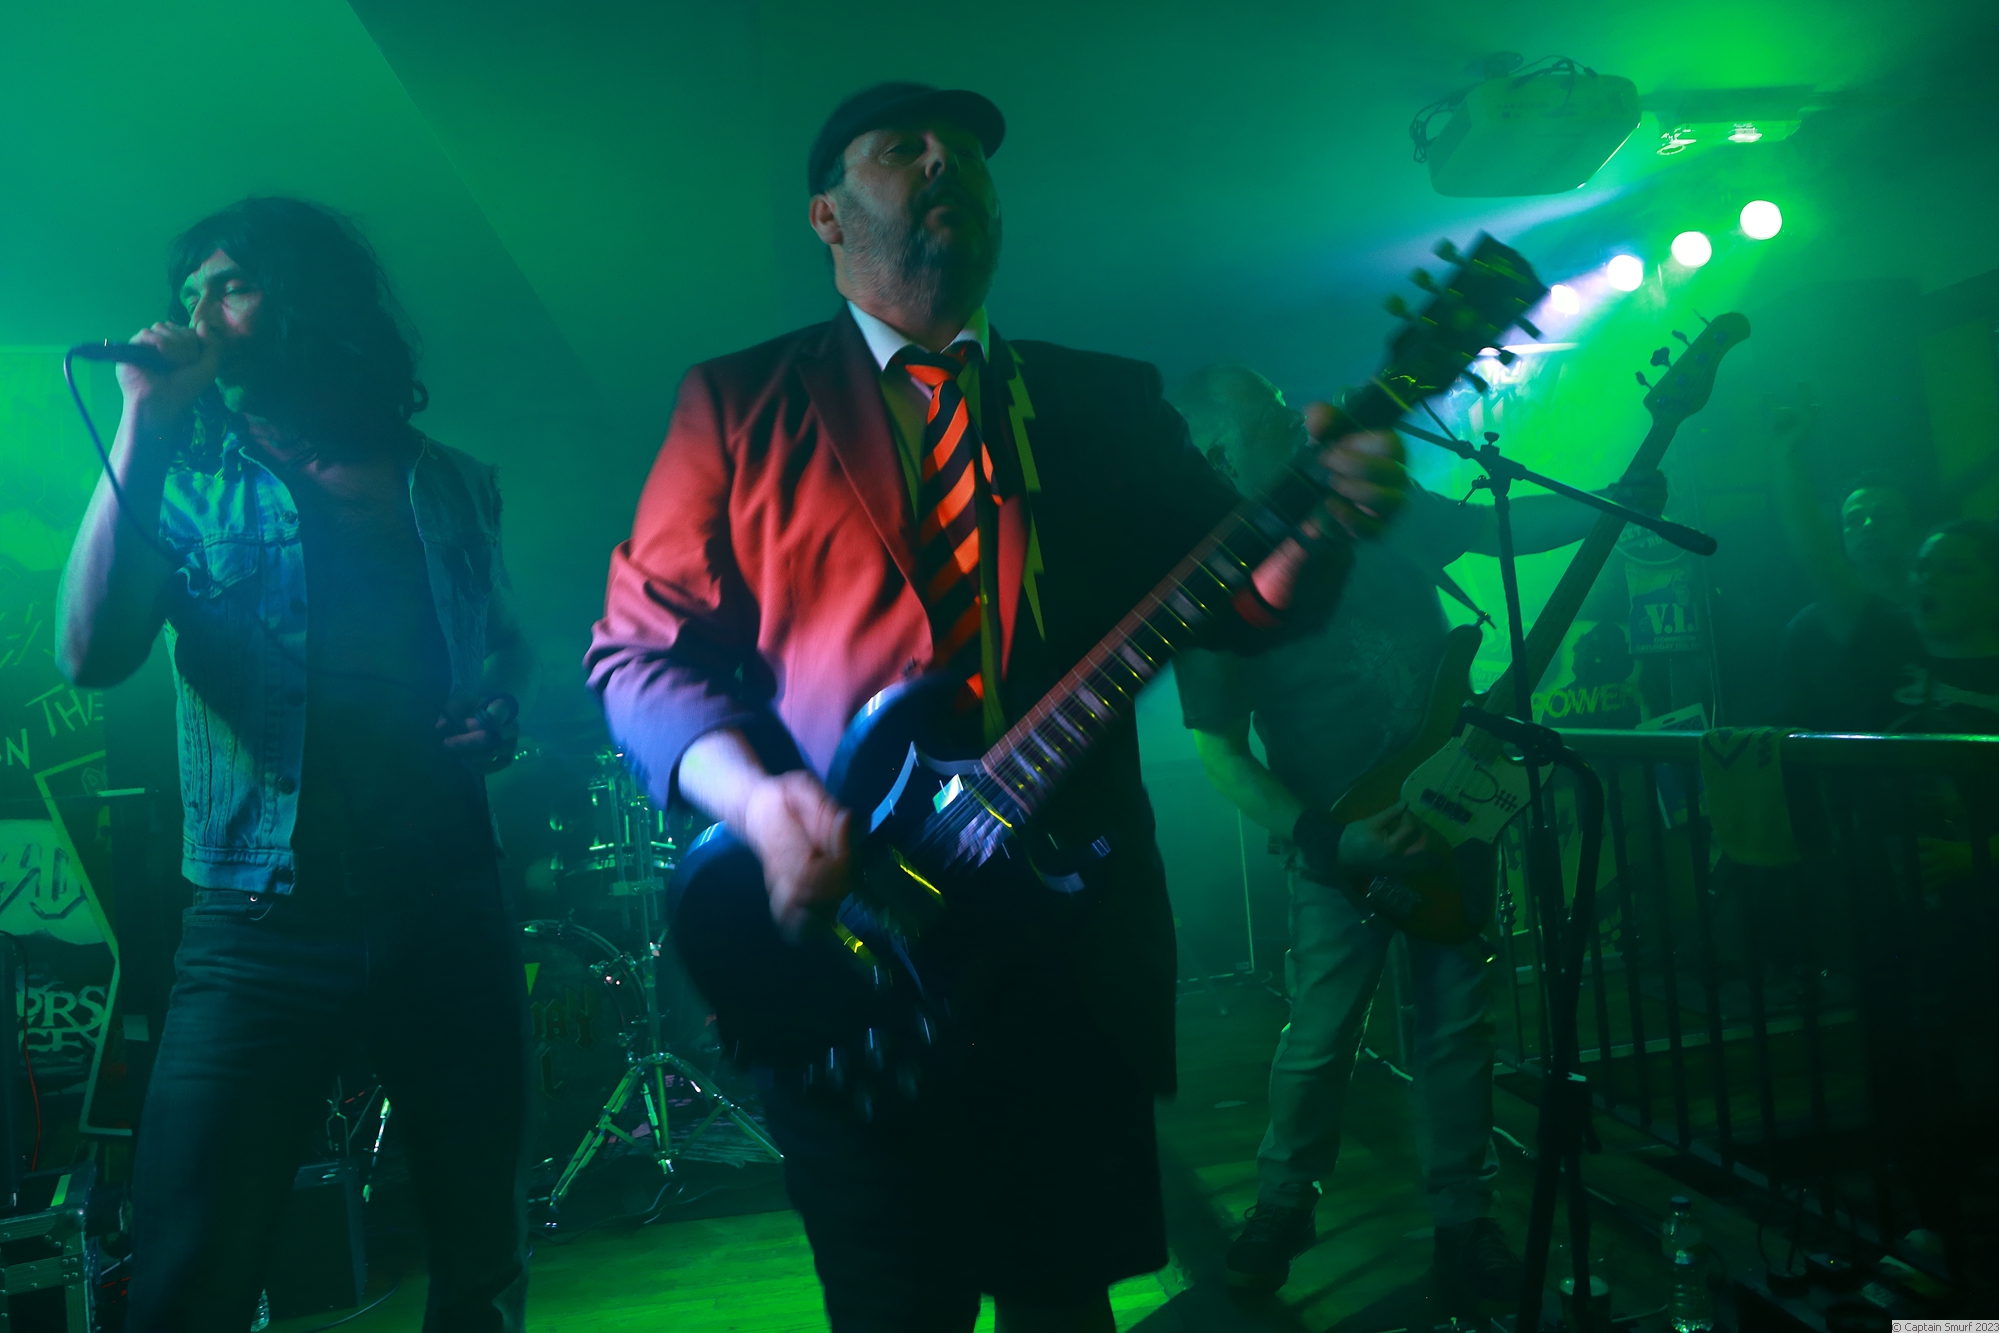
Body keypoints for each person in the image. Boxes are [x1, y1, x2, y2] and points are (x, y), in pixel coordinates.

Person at [585, 85, 1408, 1333]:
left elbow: (1242, 598)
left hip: (1065, 952)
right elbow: (638, 654)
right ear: (826, 215)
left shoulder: (1100, 400)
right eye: (900, 148)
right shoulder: (740, 402)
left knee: (1063, 1303)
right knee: (892, 1307)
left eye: (964, 152)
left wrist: (1323, 522)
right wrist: (758, 803)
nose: (943, 162)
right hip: (854, 947)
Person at [56, 197, 536, 1332]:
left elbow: (505, 646)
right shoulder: (182, 476)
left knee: (479, 1263)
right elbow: (90, 654)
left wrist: (501, 708)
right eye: (188, 296)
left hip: (444, 903)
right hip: (258, 925)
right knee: (190, 1272)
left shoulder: (452, 481)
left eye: (228, 286)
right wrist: (144, 425)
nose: (198, 317)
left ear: (309, 299)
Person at [1170, 363, 1663, 1303]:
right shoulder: (1215, 582)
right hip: (1339, 839)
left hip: (1452, 805)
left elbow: (1494, 530)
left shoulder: (1370, 502)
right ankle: (1284, 1199)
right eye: (1267, 414)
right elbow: (1222, 754)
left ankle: (1463, 1220)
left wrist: (1611, 501)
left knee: (1457, 1030)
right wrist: (1330, 840)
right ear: (1221, 453)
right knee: (1320, 1032)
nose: (1294, 416)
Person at [1770, 396, 1926, 728]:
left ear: (1915, 528)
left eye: (1883, 515)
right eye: (1854, 520)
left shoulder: (1945, 610)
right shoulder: (1809, 628)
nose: (1868, 526)